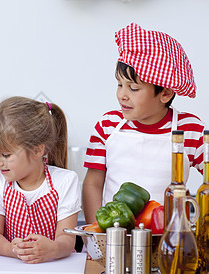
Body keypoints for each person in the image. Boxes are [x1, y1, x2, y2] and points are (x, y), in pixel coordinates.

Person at [82, 23, 205, 224]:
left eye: (134, 88)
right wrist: (96, 233)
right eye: (119, 85)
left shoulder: (190, 129)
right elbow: (93, 184)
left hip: (168, 239)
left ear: (165, 93)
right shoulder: (108, 125)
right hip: (115, 235)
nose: (122, 95)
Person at [0, 97, 81, 264]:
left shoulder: (65, 182)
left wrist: (53, 249)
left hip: (55, 269)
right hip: (12, 268)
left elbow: (67, 239)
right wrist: (12, 250)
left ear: (37, 150)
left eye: (6, 155)